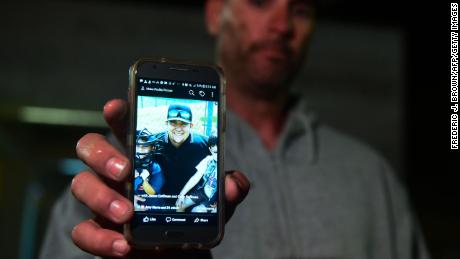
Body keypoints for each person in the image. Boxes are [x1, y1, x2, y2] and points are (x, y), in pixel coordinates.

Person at [40, 0, 430, 258]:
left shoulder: (371, 177)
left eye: (299, 9)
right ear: (214, 13)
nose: (281, 25)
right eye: (260, 2)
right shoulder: (116, 178)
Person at [176, 135, 218, 213]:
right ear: (210, 150)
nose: (218, 155)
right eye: (216, 152)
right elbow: (195, 178)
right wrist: (181, 195)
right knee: (179, 205)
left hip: (215, 198)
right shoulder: (208, 160)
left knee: (196, 211)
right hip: (203, 191)